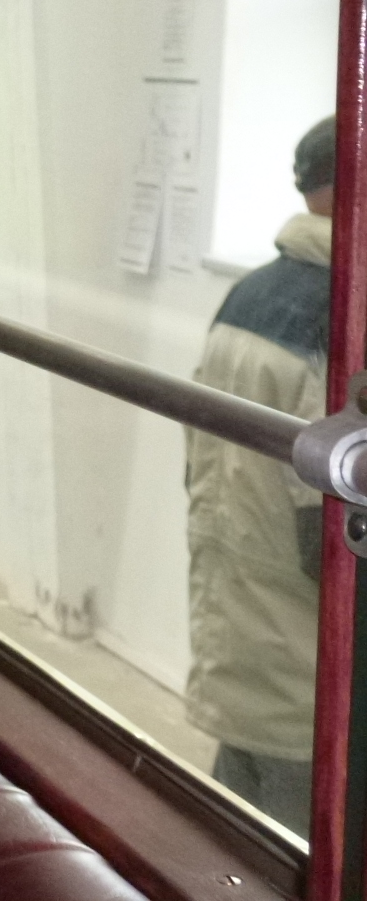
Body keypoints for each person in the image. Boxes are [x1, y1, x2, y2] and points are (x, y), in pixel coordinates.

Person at [185, 115, 335, 836]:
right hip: (304, 675)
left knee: (234, 844)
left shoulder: (245, 296)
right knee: (300, 852)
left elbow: (195, 467)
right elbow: (328, 543)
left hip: (236, 636)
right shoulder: (342, 323)